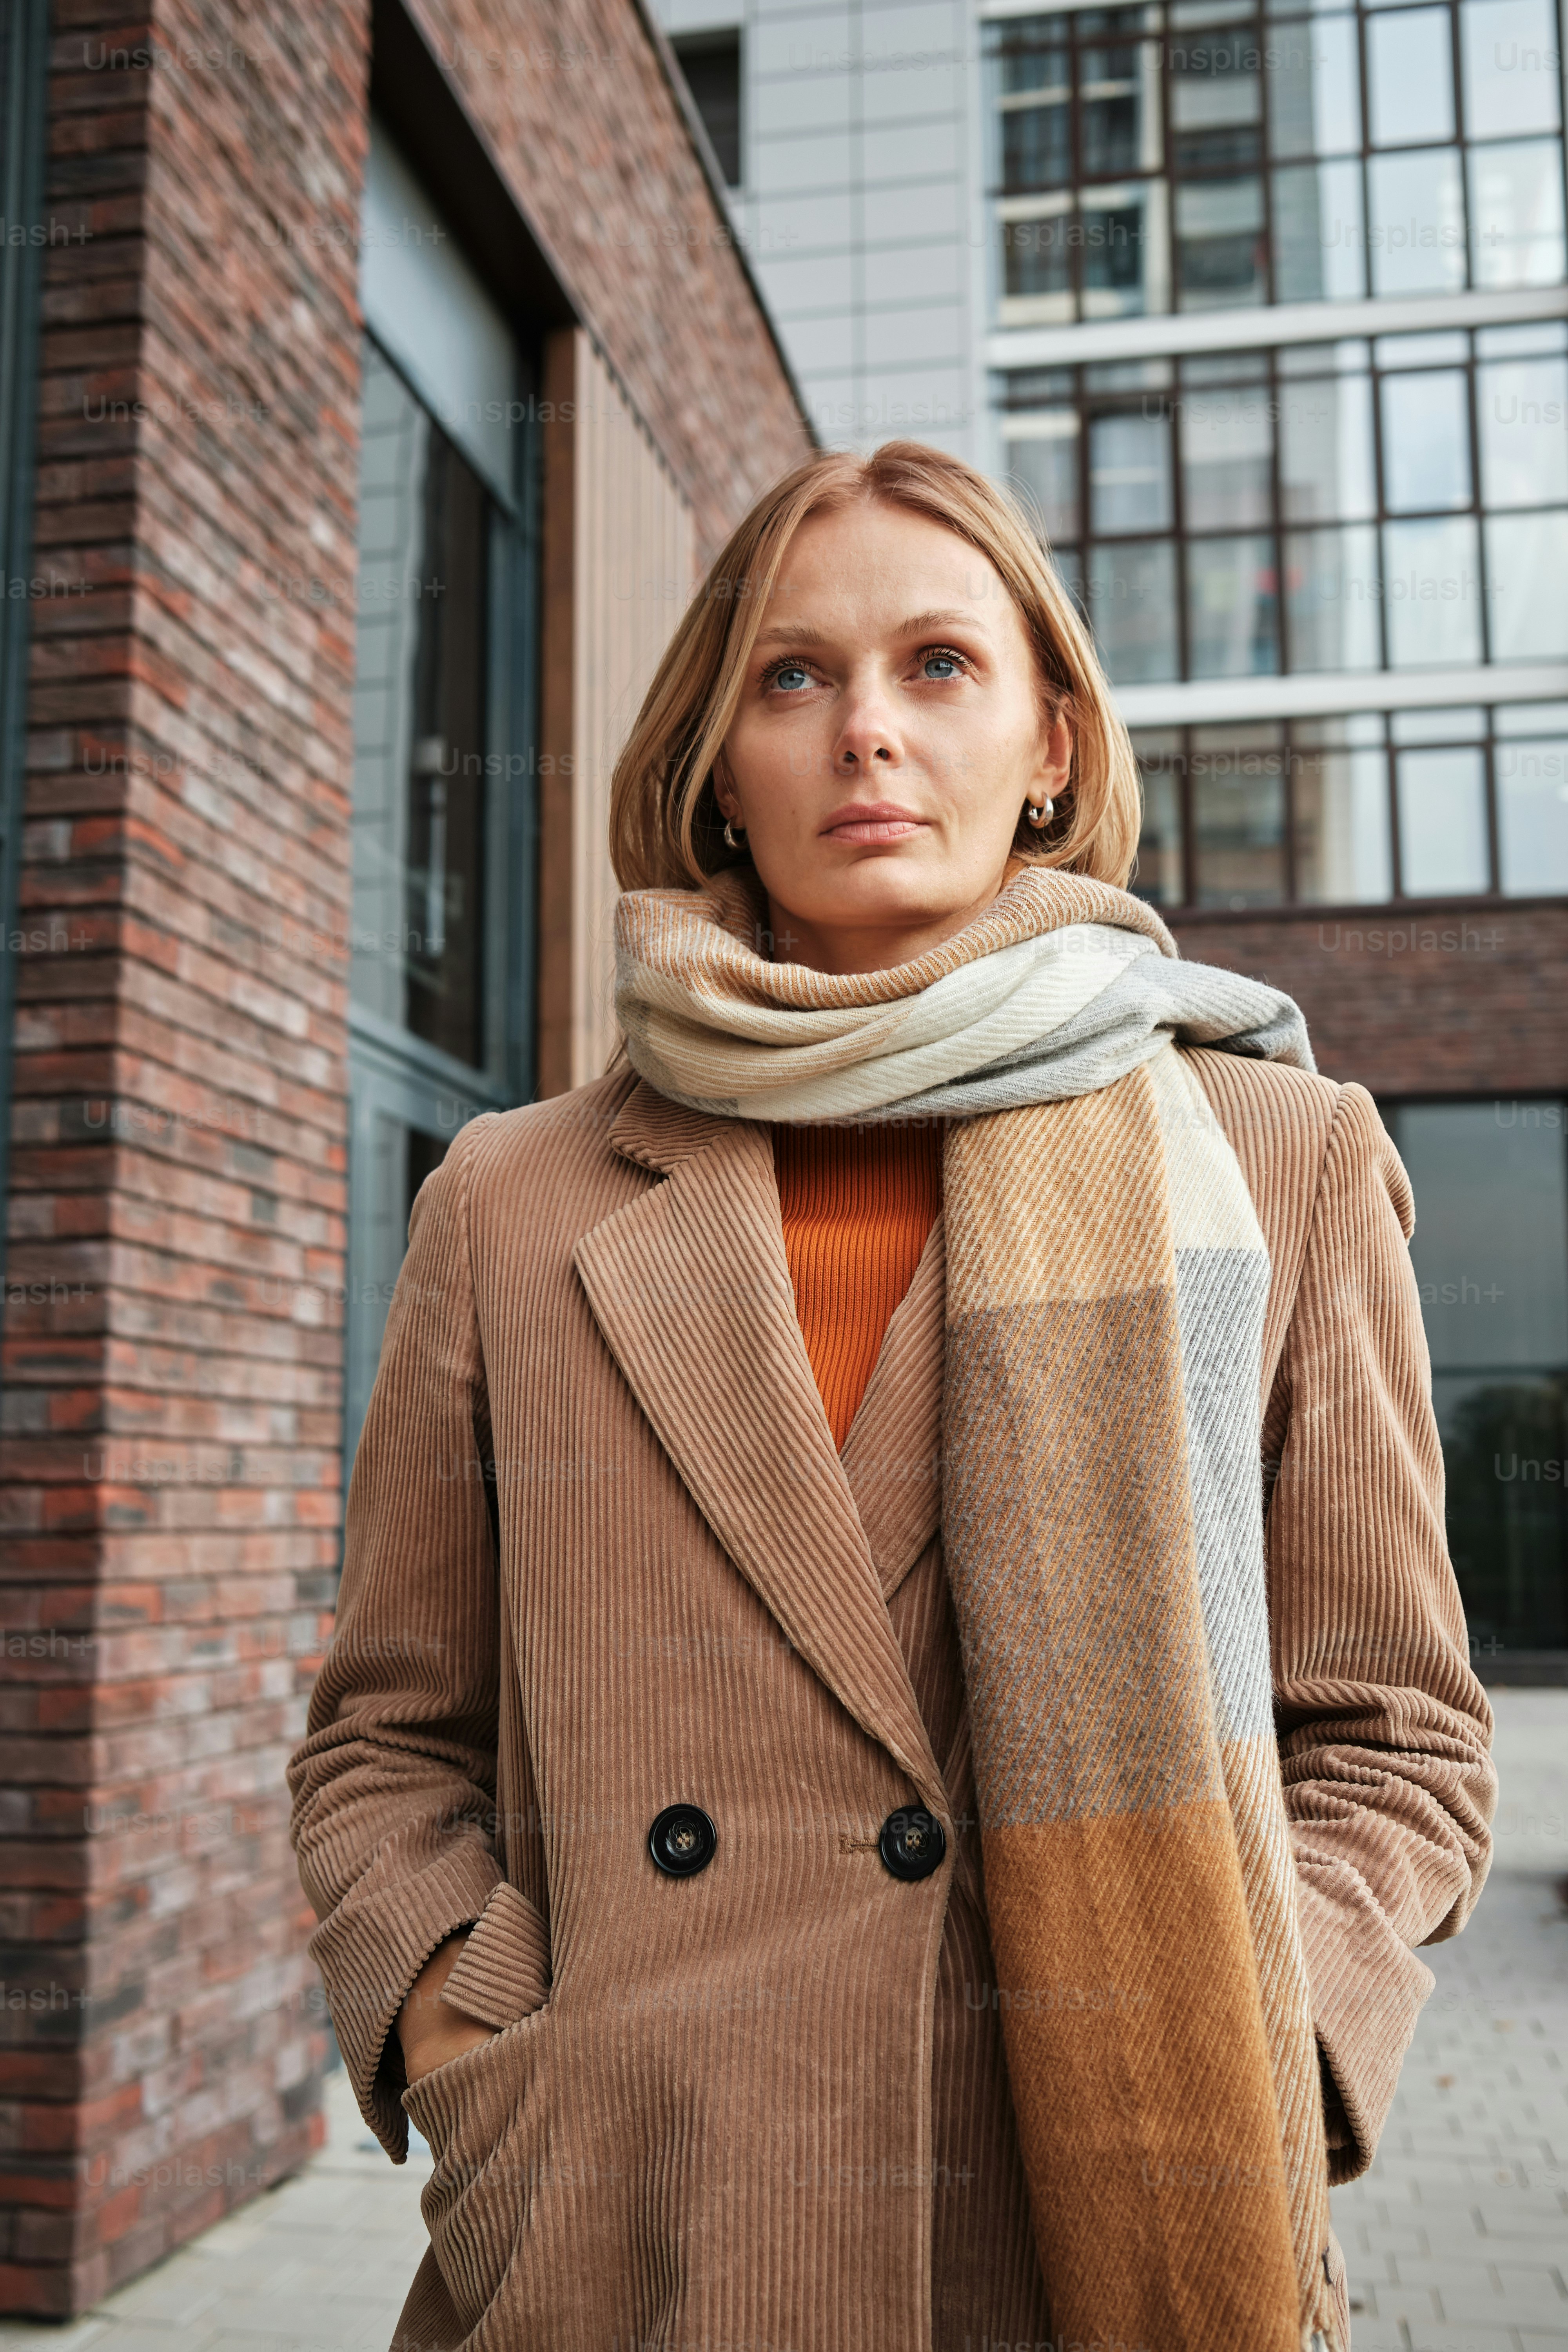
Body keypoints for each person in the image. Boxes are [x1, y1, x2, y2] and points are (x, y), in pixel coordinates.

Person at [288, 443, 1496, 2352]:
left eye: (938, 666)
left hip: (1087, 2221)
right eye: (793, 676)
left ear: (1049, 750)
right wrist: (475, 2030)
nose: (865, 731)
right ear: (715, 764)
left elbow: (1399, 1737)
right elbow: (385, 1743)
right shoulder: (513, 1203)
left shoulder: (1276, 1162)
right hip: (629, 2236)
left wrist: (1265, 2048)